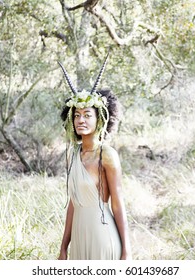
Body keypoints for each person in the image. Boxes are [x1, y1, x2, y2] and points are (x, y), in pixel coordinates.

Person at [57, 55, 131, 260]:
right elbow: (74, 203)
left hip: (102, 235)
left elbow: (117, 203)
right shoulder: (73, 155)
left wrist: (127, 250)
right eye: (77, 115)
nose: (81, 120)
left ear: (100, 119)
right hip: (79, 238)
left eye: (87, 115)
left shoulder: (107, 155)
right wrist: (64, 247)